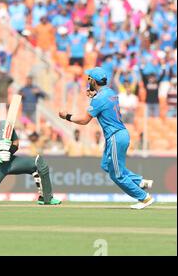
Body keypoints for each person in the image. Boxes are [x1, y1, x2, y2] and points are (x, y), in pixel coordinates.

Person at [59, 67, 155, 210]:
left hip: (116, 137)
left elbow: (85, 120)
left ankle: (144, 197)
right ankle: (140, 181)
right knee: (106, 165)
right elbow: (103, 102)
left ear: (93, 81)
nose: (87, 81)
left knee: (117, 175)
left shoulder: (98, 99)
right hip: (118, 135)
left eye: (89, 78)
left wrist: (67, 116)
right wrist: (93, 95)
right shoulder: (110, 92)